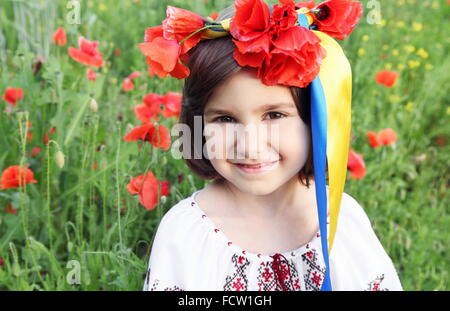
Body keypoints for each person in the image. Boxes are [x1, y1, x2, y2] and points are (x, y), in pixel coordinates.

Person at [140, 0, 403, 291]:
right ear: (198, 127)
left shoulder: (341, 220)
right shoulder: (185, 234)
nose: (250, 147)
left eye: (274, 115)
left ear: (315, 118)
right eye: (225, 119)